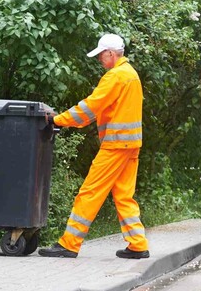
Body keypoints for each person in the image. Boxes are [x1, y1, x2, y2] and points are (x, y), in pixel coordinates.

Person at [39, 33, 149, 259]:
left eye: (101, 55)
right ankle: (137, 244)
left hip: (115, 145)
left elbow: (91, 107)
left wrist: (58, 120)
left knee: (90, 192)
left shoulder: (115, 76)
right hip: (131, 145)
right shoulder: (131, 75)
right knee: (124, 195)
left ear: (110, 53)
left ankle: (69, 243)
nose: (99, 59)